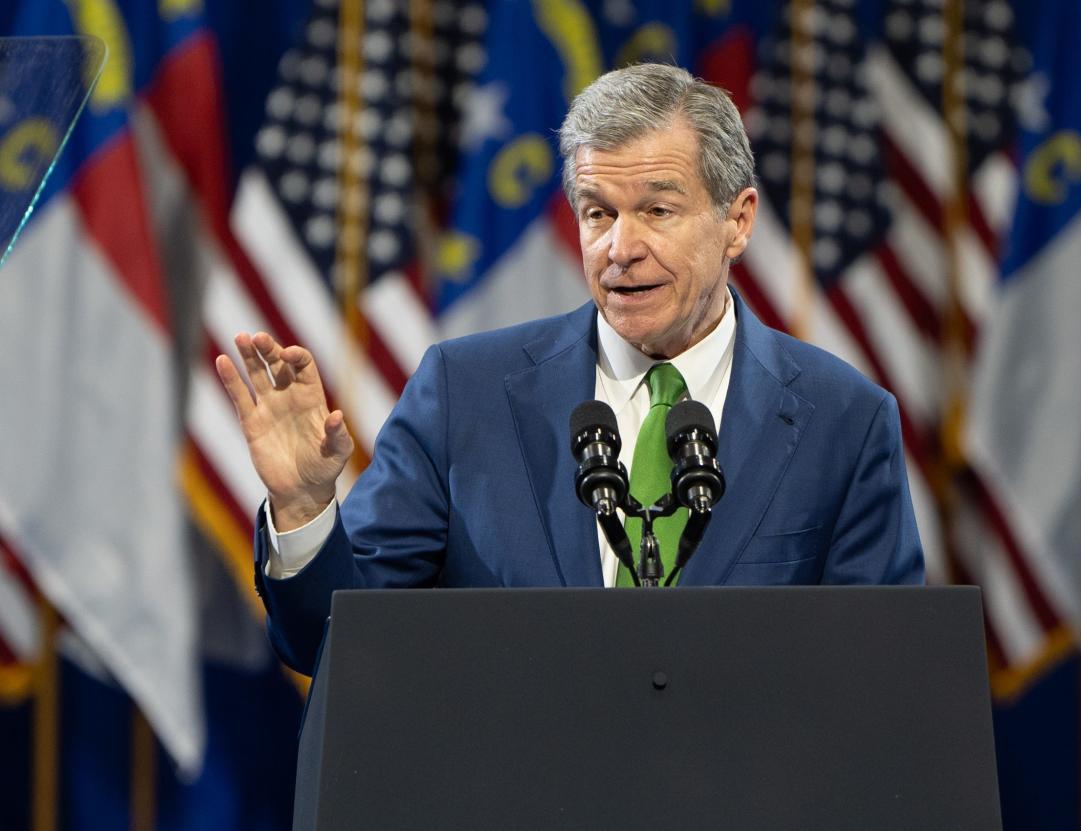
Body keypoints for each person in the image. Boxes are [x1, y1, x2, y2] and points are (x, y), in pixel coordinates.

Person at [216, 64, 924, 674]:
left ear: (737, 221)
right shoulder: (464, 395)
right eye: (597, 213)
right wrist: (306, 508)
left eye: (657, 209)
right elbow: (333, 641)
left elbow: (878, 680)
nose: (621, 247)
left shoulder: (844, 421)